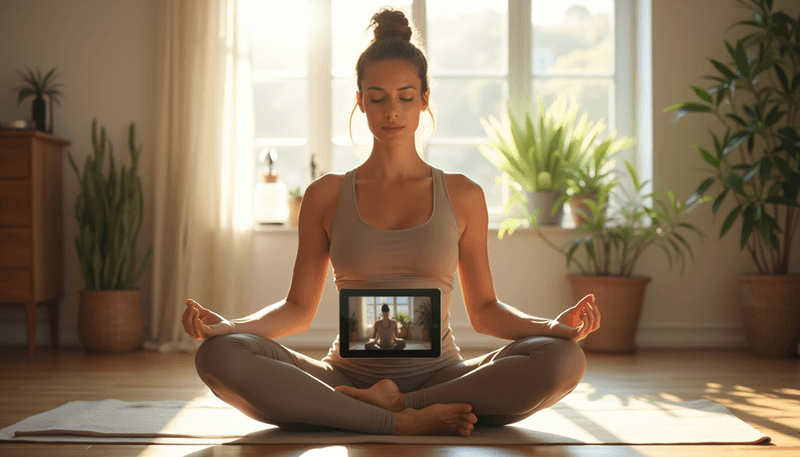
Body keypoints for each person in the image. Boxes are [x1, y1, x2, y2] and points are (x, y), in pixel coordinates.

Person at [183, 8, 600, 437]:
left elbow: (485, 312)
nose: (392, 112)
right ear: (360, 101)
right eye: (378, 98)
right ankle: (395, 419)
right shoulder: (326, 195)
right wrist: (231, 327)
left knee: (564, 359)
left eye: (405, 96)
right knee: (219, 356)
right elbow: (297, 311)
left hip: (442, 377)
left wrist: (551, 327)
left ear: (425, 98)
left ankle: (397, 406)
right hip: (345, 379)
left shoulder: (463, 195)